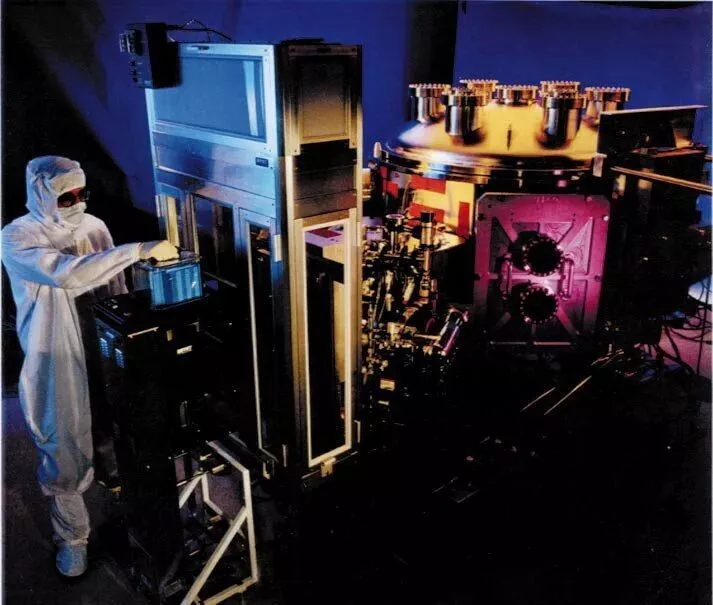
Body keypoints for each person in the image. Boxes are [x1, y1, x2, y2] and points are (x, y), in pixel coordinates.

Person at [1, 156, 178, 577]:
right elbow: (67, 274)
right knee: (62, 442)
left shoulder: (95, 226)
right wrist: (138, 250)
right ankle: (72, 538)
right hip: (56, 354)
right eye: (67, 197)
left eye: (82, 194)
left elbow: (115, 284)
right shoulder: (17, 236)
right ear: (42, 195)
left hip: (101, 343)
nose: (77, 203)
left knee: (116, 425)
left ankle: (120, 494)